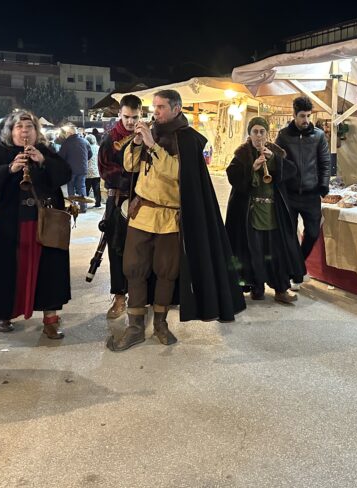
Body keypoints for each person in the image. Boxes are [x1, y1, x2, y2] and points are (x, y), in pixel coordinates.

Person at [106, 89, 245, 351]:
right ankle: (135, 326)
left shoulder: (188, 140)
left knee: (166, 271)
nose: (155, 112)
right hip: (142, 212)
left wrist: (152, 146)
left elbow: (178, 173)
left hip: (170, 216)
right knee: (134, 268)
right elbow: (130, 166)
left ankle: (160, 323)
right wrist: (136, 145)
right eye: (154, 107)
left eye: (160, 107)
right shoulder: (151, 133)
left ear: (176, 108)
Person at [0, 110, 72, 339]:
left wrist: (43, 162)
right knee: (9, 269)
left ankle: (50, 319)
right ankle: (4, 313)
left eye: (29, 127)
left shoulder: (44, 151)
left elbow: (65, 174)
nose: (24, 131)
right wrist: (9, 169)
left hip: (42, 222)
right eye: (19, 127)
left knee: (46, 271)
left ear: (36, 131)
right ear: (10, 131)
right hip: (9, 224)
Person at [226, 117, 305, 304]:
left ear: (267, 133)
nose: (259, 135)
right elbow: (233, 177)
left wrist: (274, 160)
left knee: (276, 251)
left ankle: (280, 289)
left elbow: (292, 172)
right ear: (250, 133)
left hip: (273, 212)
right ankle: (257, 287)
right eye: (255, 131)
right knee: (254, 251)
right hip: (251, 212)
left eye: (262, 131)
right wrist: (252, 168)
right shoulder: (241, 154)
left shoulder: (276, 152)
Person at [275, 96, 331, 288]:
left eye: (308, 116)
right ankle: (296, 271)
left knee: (313, 233)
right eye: (302, 116)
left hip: (311, 194)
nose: (306, 120)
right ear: (294, 114)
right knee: (289, 235)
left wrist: (323, 186)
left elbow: (325, 163)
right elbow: (277, 163)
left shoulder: (319, 136)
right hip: (289, 195)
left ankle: (297, 266)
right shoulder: (283, 136)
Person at [97, 94, 141, 319]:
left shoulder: (147, 136)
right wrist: (131, 179)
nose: (130, 122)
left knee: (142, 250)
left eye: (134, 117)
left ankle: (141, 296)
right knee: (117, 250)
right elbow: (106, 172)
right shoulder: (108, 139)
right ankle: (119, 298)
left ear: (140, 114)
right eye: (126, 117)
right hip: (118, 200)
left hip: (144, 201)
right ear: (119, 114)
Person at [58, 124, 92, 213]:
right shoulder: (85, 141)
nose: (65, 135)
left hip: (70, 170)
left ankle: (73, 207)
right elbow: (90, 154)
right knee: (82, 187)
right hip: (82, 169)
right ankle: (83, 207)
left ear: (70, 133)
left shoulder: (66, 143)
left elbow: (61, 157)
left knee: (71, 187)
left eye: (66, 133)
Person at [85, 133, 102, 208]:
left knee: (86, 189)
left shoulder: (85, 148)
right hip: (97, 172)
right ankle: (98, 203)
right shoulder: (99, 148)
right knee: (97, 189)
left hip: (87, 172)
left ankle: (84, 204)